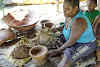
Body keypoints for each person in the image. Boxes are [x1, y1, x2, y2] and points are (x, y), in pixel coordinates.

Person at [48, 0, 96, 67]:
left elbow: (71, 41)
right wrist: (55, 29)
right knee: (53, 40)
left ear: (76, 8)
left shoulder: (79, 21)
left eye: (67, 9)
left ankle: (88, 59)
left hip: (85, 44)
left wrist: (57, 50)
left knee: (66, 62)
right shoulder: (69, 14)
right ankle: (64, 52)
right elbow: (64, 26)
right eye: (63, 8)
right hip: (72, 40)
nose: (64, 11)